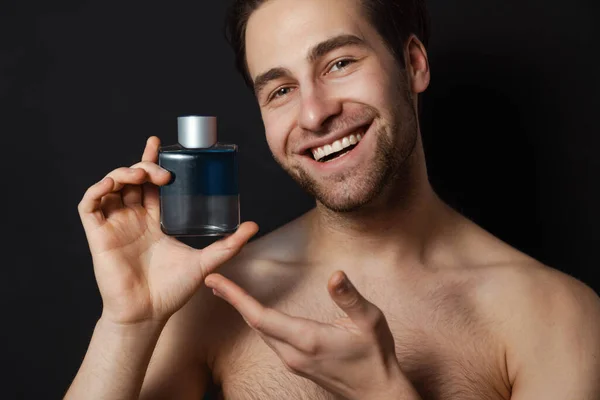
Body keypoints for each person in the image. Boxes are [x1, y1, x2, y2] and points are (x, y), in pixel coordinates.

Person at [65, 0, 600, 399]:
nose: (314, 114)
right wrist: (127, 324)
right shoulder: (216, 296)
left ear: (413, 64)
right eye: (280, 90)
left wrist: (385, 393)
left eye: (339, 63)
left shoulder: (553, 315)